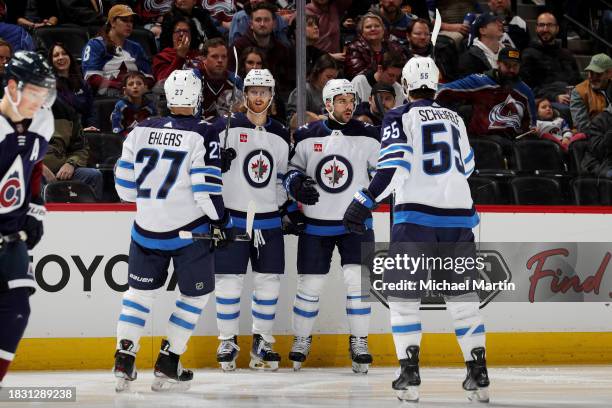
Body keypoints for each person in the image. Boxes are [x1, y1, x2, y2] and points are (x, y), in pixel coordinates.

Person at [342, 56, 489, 403]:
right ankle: (478, 371)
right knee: (463, 299)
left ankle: (409, 374)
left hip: (416, 220)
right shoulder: (455, 118)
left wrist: (364, 199)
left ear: (405, 86)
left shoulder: (399, 115)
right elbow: (467, 166)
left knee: (405, 298)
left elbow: (392, 167)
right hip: (459, 218)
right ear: (435, 85)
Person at [112, 69, 233, 392]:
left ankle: (124, 357)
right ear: (196, 97)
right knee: (195, 296)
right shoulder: (203, 133)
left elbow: (124, 188)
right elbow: (205, 191)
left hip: (145, 229)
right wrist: (223, 222)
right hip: (187, 234)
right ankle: (169, 360)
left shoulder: (139, 129)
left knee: (138, 296)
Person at [283, 79, 380, 373]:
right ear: (327, 104)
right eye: (341, 100)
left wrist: (367, 204)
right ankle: (301, 339)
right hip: (316, 224)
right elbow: (289, 174)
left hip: (356, 224)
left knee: (357, 283)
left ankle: (360, 340)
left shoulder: (369, 135)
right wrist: (295, 185)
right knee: (310, 285)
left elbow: (383, 179)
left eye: (351, 100)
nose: (348, 105)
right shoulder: (305, 135)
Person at [212, 69, 292, 372]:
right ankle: (227, 340)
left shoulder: (281, 133)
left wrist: (286, 205)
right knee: (229, 282)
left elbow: (283, 177)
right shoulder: (224, 128)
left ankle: (262, 341)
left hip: (269, 220)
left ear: (272, 96)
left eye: (264, 92)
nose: (258, 97)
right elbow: (208, 170)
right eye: (253, 91)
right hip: (232, 218)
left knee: (268, 282)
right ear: (245, 95)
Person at [0, 51, 56, 387]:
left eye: (44, 93)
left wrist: (35, 207)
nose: (40, 101)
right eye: (34, 92)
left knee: (18, 308)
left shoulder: (43, 120)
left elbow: (33, 167)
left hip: (11, 234)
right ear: (11, 87)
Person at [436, 47, 536, 155]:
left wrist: (532, 130)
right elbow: (444, 89)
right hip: (482, 142)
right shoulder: (480, 81)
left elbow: (531, 125)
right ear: (498, 63)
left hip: (513, 144)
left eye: (515, 66)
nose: (511, 70)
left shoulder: (526, 92)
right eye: (507, 65)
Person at [81, 4, 154, 96]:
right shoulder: (95, 44)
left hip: (135, 92)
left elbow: (149, 77)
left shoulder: (136, 47)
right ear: (112, 22)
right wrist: (120, 87)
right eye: (124, 20)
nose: (129, 24)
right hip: (106, 93)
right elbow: (91, 77)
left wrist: (139, 87)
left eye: (131, 21)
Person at [520, 12, 580, 121]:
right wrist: (555, 96)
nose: (545, 29)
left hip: (572, 98)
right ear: (536, 28)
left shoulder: (567, 54)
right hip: (547, 102)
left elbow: (578, 80)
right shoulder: (528, 55)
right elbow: (527, 88)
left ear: (557, 29)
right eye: (542, 25)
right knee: (567, 111)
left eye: (550, 25)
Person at [43, 98, 103, 200]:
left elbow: (81, 147)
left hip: (61, 171)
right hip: (32, 170)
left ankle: (92, 215)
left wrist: (71, 163)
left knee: (94, 176)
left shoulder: (67, 112)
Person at [232, 2, 293, 96]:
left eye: (267, 20)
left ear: (274, 24)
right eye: (258, 20)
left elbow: (286, 83)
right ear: (251, 24)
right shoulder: (238, 47)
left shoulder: (281, 49)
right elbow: (232, 79)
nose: (262, 24)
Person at [48, 42, 97, 131]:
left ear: (70, 57)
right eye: (56, 55)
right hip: (60, 134)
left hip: (85, 132)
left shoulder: (83, 84)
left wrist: (91, 127)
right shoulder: (48, 87)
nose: (60, 57)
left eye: (64, 54)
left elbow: (91, 112)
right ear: (51, 61)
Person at [344, 12, 405, 80]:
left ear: (383, 30)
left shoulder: (394, 47)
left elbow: (403, 71)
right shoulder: (354, 47)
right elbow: (356, 75)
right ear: (361, 32)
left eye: (377, 26)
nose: (373, 29)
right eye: (368, 27)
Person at [286, 53, 338, 130]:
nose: (331, 81)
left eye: (334, 78)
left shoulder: (334, 92)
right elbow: (293, 119)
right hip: (306, 134)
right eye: (328, 77)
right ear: (317, 73)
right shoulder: (303, 91)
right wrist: (317, 119)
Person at [199, 38, 242, 120]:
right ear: (203, 59)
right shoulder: (194, 79)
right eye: (214, 56)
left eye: (224, 57)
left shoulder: (235, 82)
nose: (220, 60)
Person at [153, 18, 203, 85]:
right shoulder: (162, 57)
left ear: (192, 35)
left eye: (185, 31)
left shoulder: (199, 55)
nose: (181, 34)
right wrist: (180, 56)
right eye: (178, 31)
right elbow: (163, 83)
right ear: (171, 35)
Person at [570, 53, 612, 133]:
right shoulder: (579, 91)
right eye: (591, 72)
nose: (592, 77)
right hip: (592, 137)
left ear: (609, 73)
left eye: (598, 74)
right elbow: (582, 126)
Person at [111, 72, 157, 136]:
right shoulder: (120, 105)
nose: (135, 86)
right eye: (130, 84)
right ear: (125, 90)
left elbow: (156, 126)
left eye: (139, 84)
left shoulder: (151, 106)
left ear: (145, 88)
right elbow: (117, 128)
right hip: (124, 140)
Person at [460, 11, 503, 77]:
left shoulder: (508, 50)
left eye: (499, 22)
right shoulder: (470, 57)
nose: (500, 24)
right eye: (494, 23)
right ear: (483, 31)